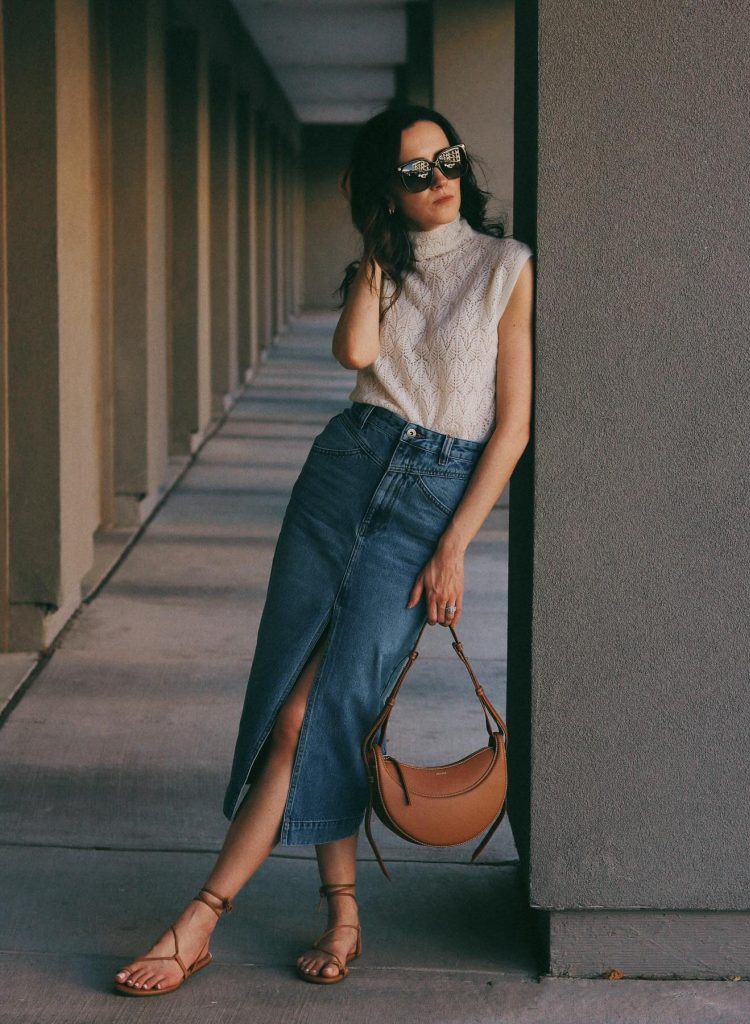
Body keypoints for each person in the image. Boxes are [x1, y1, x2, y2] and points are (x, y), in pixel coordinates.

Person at [112, 104, 533, 994]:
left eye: (446, 159)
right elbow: (356, 353)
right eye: (413, 172)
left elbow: (511, 428)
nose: (439, 179)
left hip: (428, 502)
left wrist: (454, 545)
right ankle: (340, 912)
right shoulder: (379, 269)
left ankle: (201, 920)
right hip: (343, 475)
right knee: (293, 708)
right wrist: (375, 259)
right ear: (386, 189)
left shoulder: (507, 267)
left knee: (325, 710)